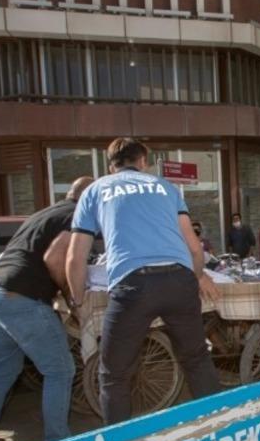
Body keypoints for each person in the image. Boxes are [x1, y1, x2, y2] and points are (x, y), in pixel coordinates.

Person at [65, 138, 221, 424]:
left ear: (111, 165)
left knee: (114, 375)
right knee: (197, 359)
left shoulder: (95, 190)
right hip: (179, 280)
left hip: (133, 286)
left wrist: (77, 301)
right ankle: (216, 428)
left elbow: (75, 258)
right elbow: (195, 247)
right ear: (143, 161)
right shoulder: (166, 187)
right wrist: (197, 275)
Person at [0, 177, 93, 441]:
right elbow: (56, 260)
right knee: (61, 370)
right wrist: (72, 297)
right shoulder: (77, 215)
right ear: (89, 199)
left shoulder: (44, 213)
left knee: (4, 368)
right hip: (23, 300)